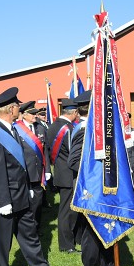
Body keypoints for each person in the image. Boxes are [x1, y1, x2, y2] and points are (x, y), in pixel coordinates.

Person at [0, 87, 65, 266]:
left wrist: (28, 186)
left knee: (30, 236)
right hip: (5, 201)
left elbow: (22, 164)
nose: (19, 108)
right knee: (2, 243)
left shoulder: (12, 130)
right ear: (11, 109)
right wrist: (3, 202)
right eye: (18, 105)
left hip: (22, 195)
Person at [68, 90, 130, 266]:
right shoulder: (84, 130)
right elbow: (74, 161)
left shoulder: (103, 130)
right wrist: (97, 171)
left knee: (109, 227)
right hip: (91, 190)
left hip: (106, 188)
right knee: (92, 233)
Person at [46, 98, 81, 254]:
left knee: (68, 209)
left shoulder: (53, 125)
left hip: (61, 171)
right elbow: (72, 152)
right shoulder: (66, 128)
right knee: (67, 211)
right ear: (73, 112)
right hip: (68, 173)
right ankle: (66, 245)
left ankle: (71, 239)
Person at [15, 101, 51, 233]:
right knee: (25, 203)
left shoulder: (40, 128)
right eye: (32, 113)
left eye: (35, 113)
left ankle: (36, 226)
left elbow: (45, 150)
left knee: (37, 202)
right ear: (24, 115)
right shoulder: (16, 129)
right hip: (25, 172)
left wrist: (47, 170)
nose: (35, 115)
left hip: (38, 171)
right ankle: (25, 228)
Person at [35, 107, 53, 208]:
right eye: (42, 115)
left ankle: (44, 201)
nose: (43, 116)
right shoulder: (37, 125)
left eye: (44, 115)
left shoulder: (43, 125)